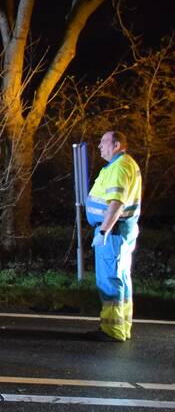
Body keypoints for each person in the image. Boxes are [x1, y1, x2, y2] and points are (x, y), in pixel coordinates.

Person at [84, 130, 142, 342]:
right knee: (120, 278)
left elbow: (116, 203)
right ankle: (121, 327)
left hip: (113, 232)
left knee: (110, 279)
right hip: (120, 231)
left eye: (103, 142)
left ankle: (113, 330)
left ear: (116, 144)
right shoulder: (123, 164)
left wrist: (103, 231)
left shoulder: (120, 166)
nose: (99, 146)